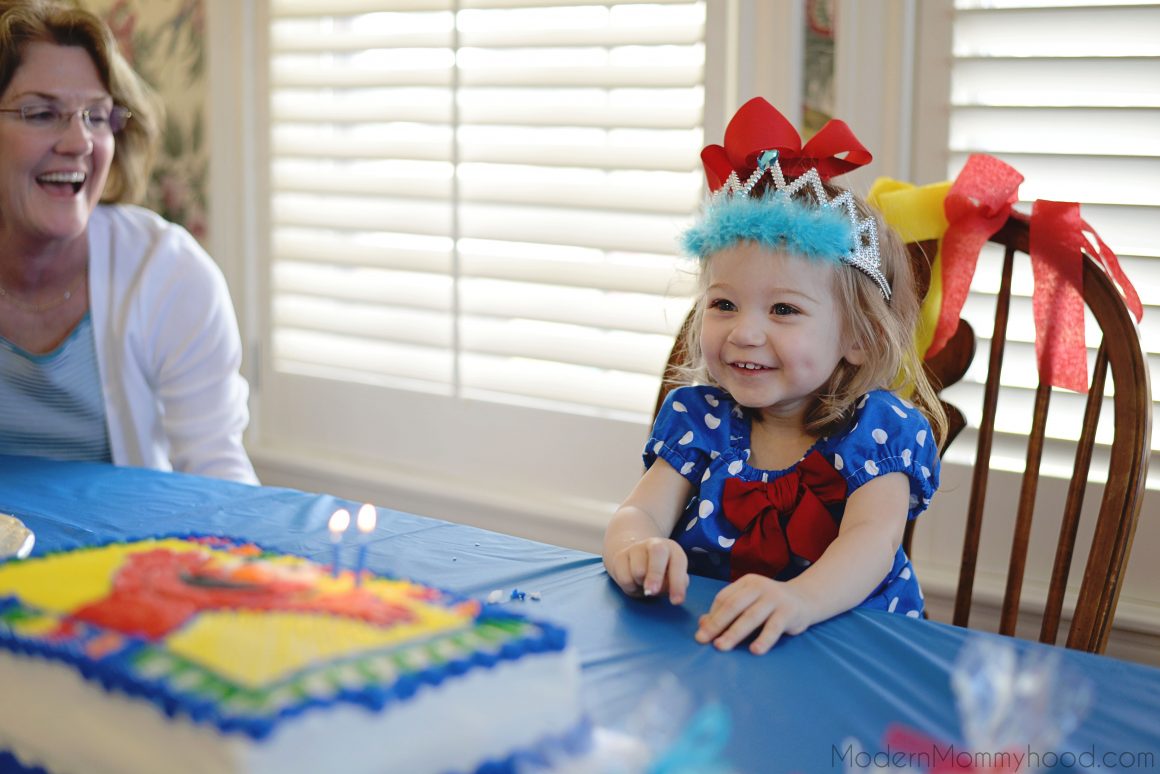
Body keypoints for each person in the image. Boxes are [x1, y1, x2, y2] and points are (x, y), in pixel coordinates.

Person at [602, 98, 946, 654]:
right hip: (720, 649)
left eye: (783, 310)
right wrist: (637, 546)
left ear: (859, 338)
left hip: (853, 655)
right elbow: (640, 511)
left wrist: (801, 599)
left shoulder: (878, 431)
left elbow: (872, 539)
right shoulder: (701, 419)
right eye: (724, 304)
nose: (744, 333)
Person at [0, 0, 257, 483]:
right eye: (40, 114)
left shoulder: (170, 274)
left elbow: (216, 472)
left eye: (96, 117)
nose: (78, 143)